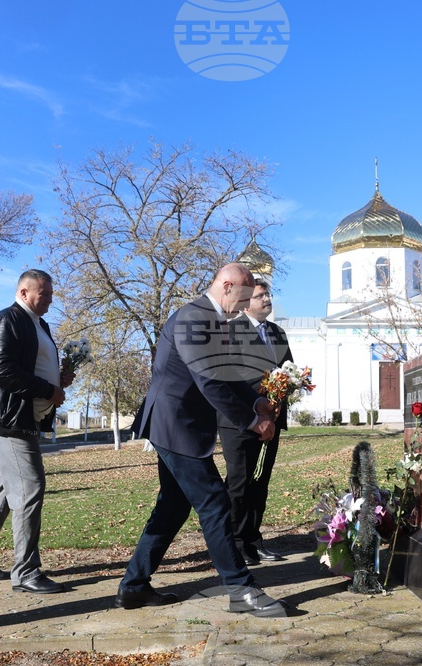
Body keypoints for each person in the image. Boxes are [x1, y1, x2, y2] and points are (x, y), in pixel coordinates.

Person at [116, 263, 289, 618]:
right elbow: (210, 381)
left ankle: (133, 586)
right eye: (242, 298)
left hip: (181, 426)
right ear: (226, 286)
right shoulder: (194, 318)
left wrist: (255, 399)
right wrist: (253, 421)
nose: (244, 307)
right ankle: (240, 589)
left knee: (173, 507)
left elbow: (225, 373)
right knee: (215, 502)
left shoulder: (212, 319)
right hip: (175, 425)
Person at [0, 269, 74, 594]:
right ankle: (25, 572)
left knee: (3, 492)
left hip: (24, 419)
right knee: (29, 489)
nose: (50, 299)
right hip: (8, 420)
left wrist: (58, 381)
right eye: (45, 293)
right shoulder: (7, 320)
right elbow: (2, 369)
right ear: (24, 292)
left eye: (51, 294)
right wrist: (47, 390)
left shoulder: (39, 325)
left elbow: (30, 365)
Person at [218, 279, 293, 566]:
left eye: (268, 294)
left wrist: (283, 392)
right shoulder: (230, 331)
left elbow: (289, 370)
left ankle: (253, 539)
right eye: (261, 295)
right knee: (239, 482)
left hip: (271, 419)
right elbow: (230, 375)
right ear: (246, 301)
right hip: (239, 420)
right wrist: (261, 396)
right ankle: (233, 542)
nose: (267, 299)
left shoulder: (278, 332)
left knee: (260, 481)